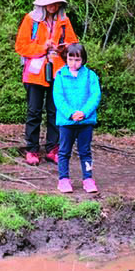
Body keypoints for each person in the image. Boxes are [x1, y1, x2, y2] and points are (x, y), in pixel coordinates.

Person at [15, 0, 78, 166]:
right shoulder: (31, 20)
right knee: (34, 112)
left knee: (54, 111)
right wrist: (43, 47)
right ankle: (32, 149)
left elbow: (73, 43)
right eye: (50, 3)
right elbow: (21, 46)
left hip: (57, 72)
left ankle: (53, 149)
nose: (53, 7)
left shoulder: (64, 21)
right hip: (35, 73)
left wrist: (63, 48)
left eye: (56, 3)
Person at [51, 42, 101, 193]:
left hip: (86, 122)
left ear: (83, 60)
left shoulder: (90, 76)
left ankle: (88, 178)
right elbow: (58, 98)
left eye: (77, 60)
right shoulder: (60, 75)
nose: (74, 63)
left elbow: (95, 96)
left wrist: (84, 113)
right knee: (64, 151)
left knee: (85, 151)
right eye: (70, 59)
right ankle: (63, 179)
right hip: (66, 122)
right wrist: (70, 114)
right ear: (66, 59)